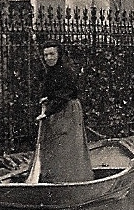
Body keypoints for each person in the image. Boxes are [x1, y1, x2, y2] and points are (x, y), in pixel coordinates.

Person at [30, 41, 93, 183]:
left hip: (67, 111)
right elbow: (54, 91)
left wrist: (47, 112)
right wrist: (47, 98)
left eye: (52, 54)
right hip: (55, 110)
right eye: (46, 55)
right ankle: (53, 179)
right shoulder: (50, 71)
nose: (49, 58)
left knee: (66, 146)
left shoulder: (66, 71)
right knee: (52, 146)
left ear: (59, 54)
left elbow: (64, 95)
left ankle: (71, 180)